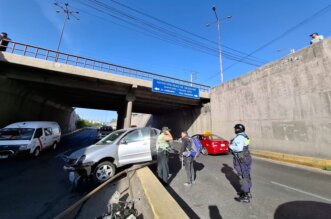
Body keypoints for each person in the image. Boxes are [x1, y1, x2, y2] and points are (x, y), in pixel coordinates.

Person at [229, 124, 252, 203]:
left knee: (243, 176)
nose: (234, 130)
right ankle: (247, 192)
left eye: (235, 128)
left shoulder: (239, 137)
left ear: (238, 129)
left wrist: (230, 146)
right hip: (245, 157)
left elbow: (238, 148)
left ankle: (246, 196)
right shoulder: (245, 136)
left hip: (241, 159)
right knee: (246, 175)